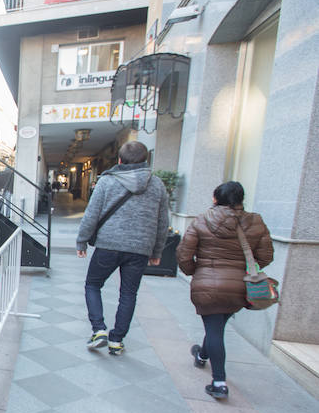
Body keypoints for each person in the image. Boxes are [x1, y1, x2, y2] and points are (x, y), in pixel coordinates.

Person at [176, 181, 273, 399]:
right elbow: (266, 256)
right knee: (216, 325)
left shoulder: (202, 220)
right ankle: (202, 355)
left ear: (215, 198)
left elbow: (183, 254)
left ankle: (219, 382)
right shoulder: (256, 222)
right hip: (239, 286)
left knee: (214, 329)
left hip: (207, 285)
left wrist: (194, 271)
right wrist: (245, 268)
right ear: (241, 199)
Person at [76, 141, 169, 355]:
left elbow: (92, 213)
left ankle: (99, 329)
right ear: (146, 161)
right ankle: (116, 340)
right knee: (128, 293)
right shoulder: (157, 185)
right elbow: (163, 222)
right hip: (140, 248)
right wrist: (157, 251)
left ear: (119, 160)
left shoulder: (107, 182)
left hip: (108, 244)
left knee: (92, 285)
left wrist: (82, 240)